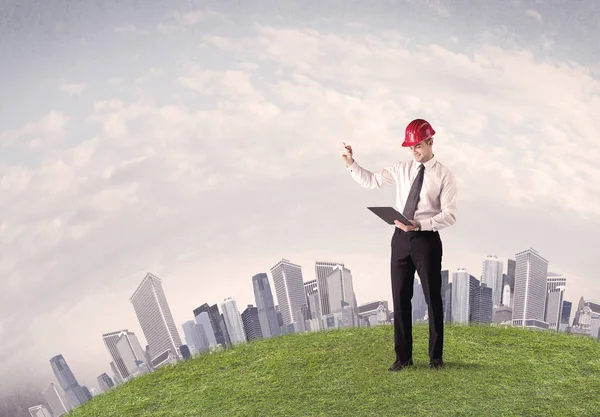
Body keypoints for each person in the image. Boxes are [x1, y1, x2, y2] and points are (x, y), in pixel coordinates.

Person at [340, 118, 457, 371]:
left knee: (432, 298)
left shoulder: (444, 176)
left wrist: (421, 225)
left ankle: (435, 358)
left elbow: (450, 214)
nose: (414, 150)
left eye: (418, 145)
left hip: (427, 239)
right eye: (410, 146)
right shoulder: (402, 168)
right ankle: (403, 358)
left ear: (430, 142)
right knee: (400, 298)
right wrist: (351, 164)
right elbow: (371, 181)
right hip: (400, 239)